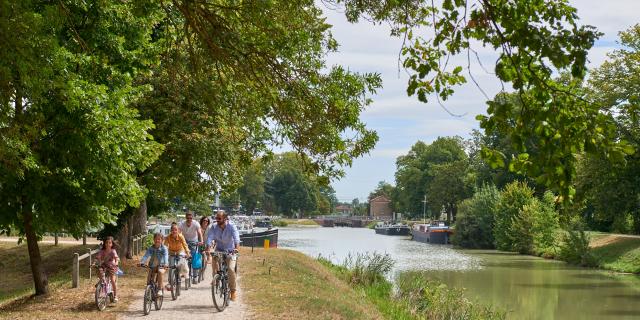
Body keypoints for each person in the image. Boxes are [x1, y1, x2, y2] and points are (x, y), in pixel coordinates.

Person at [206, 210, 240, 301]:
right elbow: (209, 238)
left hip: (231, 251)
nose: (217, 220)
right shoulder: (214, 227)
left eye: (219, 218)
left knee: (231, 269)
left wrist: (236, 249)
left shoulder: (231, 226)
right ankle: (216, 279)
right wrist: (208, 249)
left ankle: (233, 291)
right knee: (214, 263)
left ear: (225, 218)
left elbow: (236, 238)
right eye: (216, 218)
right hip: (219, 250)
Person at [140, 233, 169, 297]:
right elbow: (146, 256)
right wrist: (142, 262)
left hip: (162, 266)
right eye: (156, 239)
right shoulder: (151, 248)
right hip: (153, 266)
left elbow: (165, 256)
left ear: (162, 240)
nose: (157, 240)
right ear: (153, 239)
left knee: (160, 272)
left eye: (159, 239)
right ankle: (149, 290)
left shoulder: (164, 248)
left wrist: (166, 264)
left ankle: (160, 289)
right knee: (150, 277)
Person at [163, 222, 190, 290]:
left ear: (178, 231)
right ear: (170, 231)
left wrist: (188, 253)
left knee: (183, 263)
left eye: (175, 230)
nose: (174, 231)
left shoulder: (181, 236)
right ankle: (170, 282)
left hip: (180, 251)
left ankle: (185, 275)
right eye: (172, 230)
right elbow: (165, 247)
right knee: (171, 268)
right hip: (171, 252)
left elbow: (185, 245)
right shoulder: (168, 237)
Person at [179, 210, 203, 283]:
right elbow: (179, 232)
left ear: (192, 218)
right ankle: (183, 273)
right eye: (187, 218)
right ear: (186, 217)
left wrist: (201, 241)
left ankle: (195, 276)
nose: (189, 219)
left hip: (194, 241)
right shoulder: (182, 224)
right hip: (184, 241)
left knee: (194, 258)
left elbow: (199, 232)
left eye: (190, 218)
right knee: (182, 257)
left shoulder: (196, 224)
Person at [95, 236, 119, 302]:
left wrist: (116, 262)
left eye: (110, 243)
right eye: (106, 243)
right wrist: (96, 262)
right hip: (104, 266)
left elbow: (116, 258)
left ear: (112, 244)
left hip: (112, 267)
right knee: (99, 270)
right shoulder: (102, 251)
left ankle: (115, 296)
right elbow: (98, 257)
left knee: (112, 280)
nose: (108, 244)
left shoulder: (113, 251)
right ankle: (101, 282)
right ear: (104, 244)